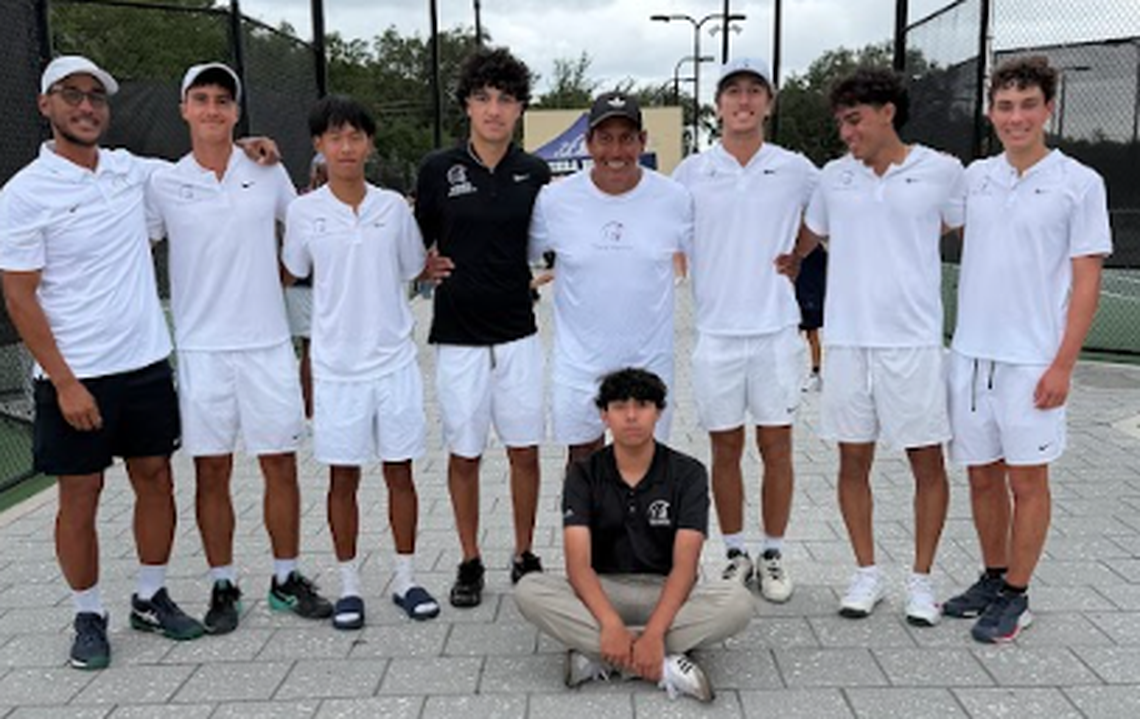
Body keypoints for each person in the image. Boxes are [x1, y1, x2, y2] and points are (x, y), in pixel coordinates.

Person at [0, 55, 202, 669]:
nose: (86, 106)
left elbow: (200, 168)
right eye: (72, 95)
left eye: (96, 97)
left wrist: (249, 149)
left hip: (145, 365)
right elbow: (19, 295)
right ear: (46, 105)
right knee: (80, 495)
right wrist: (65, 383)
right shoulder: (23, 193)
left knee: (156, 479)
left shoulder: (128, 171)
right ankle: (88, 613)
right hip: (75, 378)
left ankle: (150, 596)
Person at [146, 62, 330, 634]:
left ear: (235, 112)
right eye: (200, 98)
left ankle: (285, 579)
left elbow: (304, 228)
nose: (212, 108)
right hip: (202, 350)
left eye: (222, 100)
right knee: (211, 472)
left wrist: (280, 277)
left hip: (267, 346)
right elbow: (134, 242)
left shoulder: (265, 170)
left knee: (280, 465)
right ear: (184, 109)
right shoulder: (163, 182)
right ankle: (222, 583)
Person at [777, 67, 964, 625]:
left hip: (913, 344)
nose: (846, 132)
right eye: (840, 122)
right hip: (848, 344)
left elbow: (959, 226)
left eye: (854, 120)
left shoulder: (942, 172)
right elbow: (809, 235)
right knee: (852, 460)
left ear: (888, 113)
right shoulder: (834, 177)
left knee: (926, 462)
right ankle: (866, 574)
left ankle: (921, 582)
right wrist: (791, 260)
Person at [943, 56, 1111, 643]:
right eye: (1005, 106)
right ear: (991, 112)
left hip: (1033, 361)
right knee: (982, 478)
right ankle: (993, 577)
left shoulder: (1079, 183)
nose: (1016, 117)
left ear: (1048, 110)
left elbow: (1086, 281)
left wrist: (1063, 364)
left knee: (1027, 482)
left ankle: (1018, 593)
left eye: (1028, 105)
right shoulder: (974, 177)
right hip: (971, 357)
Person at [282, 95, 441, 629]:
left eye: (355, 137)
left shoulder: (393, 207)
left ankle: (406, 579)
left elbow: (413, 267)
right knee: (342, 479)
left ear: (370, 144)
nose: (346, 147)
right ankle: (349, 586)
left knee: (401, 473)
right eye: (335, 138)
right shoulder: (303, 212)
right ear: (319, 145)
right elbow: (292, 268)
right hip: (336, 370)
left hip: (394, 362)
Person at [514, 368, 753, 702]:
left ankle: (602, 654)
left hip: (666, 592)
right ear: (604, 415)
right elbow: (578, 566)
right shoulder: (583, 473)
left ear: (659, 412)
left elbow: (685, 568)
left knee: (738, 602)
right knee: (529, 589)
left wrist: (654, 632)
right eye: (619, 406)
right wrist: (611, 624)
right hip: (602, 591)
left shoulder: (688, 473)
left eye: (642, 405)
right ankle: (660, 662)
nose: (630, 416)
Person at [672, 58, 818, 602]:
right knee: (725, 447)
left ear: (768, 104)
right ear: (718, 105)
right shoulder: (692, 171)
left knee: (777, 446)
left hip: (776, 330)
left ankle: (772, 552)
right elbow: (668, 231)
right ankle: (735, 552)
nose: (744, 100)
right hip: (716, 333)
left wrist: (799, 253)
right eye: (733, 91)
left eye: (755, 91)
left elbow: (824, 216)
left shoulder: (795, 168)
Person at [414, 47, 552, 608]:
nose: (494, 109)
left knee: (524, 452)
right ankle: (470, 559)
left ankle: (524, 553)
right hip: (457, 335)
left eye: (505, 99)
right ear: (467, 105)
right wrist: (420, 267)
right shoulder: (437, 169)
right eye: (483, 98)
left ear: (519, 108)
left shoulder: (535, 172)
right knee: (464, 454)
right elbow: (412, 242)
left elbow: (552, 244)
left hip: (518, 332)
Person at [529, 91, 693, 465]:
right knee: (583, 463)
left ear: (642, 141)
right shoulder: (555, 200)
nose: (615, 151)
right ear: (588, 143)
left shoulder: (674, 198)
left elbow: (711, 256)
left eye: (626, 138)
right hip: (579, 365)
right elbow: (516, 255)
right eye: (605, 139)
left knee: (644, 465)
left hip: (649, 362)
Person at [285, 152, 328, 420]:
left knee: (316, 347)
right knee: (311, 347)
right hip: (305, 284)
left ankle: (317, 407)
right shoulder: (301, 205)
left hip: (321, 285)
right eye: (322, 171)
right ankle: (310, 408)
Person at [796, 244, 827, 392]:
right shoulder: (792, 246)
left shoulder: (817, 252)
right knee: (792, 335)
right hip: (796, 294)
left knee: (811, 334)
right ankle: (793, 373)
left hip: (810, 296)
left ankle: (816, 373)